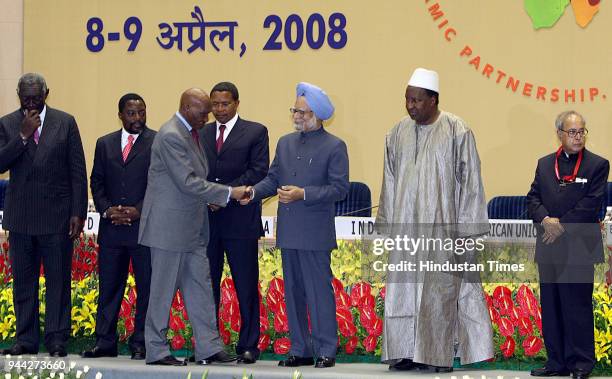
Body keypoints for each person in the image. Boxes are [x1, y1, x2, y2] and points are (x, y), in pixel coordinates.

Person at [376, 68, 493, 372]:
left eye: (416, 100)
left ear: (433, 100)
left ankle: (436, 354)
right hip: (406, 229)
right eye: (407, 100)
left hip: (444, 229)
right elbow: (389, 181)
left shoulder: (457, 130)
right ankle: (402, 352)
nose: (410, 105)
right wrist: (388, 225)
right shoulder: (396, 132)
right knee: (402, 289)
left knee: (438, 293)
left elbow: (471, 182)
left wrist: (467, 229)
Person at [242, 82, 349, 368]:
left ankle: (326, 348)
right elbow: (273, 179)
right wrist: (252, 193)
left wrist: (305, 194)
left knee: (318, 293)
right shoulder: (285, 143)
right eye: (294, 110)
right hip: (289, 232)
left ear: (317, 114)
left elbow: (340, 189)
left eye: (301, 111)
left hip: (314, 233)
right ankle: (300, 349)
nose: (296, 116)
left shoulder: (335, 146)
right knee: (293, 293)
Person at [138, 88, 247, 366]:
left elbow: (194, 181)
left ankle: (209, 347)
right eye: (203, 113)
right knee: (162, 291)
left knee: (200, 286)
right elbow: (187, 181)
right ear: (187, 107)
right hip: (168, 229)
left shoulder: (190, 133)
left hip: (191, 228)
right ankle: (156, 350)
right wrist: (228, 193)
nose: (208, 118)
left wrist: (209, 198)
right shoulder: (172, 135)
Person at [0, 73, 88, 357]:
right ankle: (25, 339)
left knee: (58, 281)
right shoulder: (8, 123)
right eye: (25, 98)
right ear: (18, 95)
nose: (31, 103)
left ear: (46, 93)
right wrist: (23, 135)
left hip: (57, 217)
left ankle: (56, 338)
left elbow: (77, 171)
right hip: (22, 217)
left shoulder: (65, 122)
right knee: (23, 282)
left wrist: (78, 211)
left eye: (36, 97)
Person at [527, 111, 609, 379]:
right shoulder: (544, 164)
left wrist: (558, 225)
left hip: (578, 248)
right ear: (559, 134)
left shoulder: (597, 165)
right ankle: (556, 363)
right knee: (551, 306)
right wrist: (544, 219)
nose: (577, 137)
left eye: (581, 132)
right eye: (572, 132)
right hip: (549, 246)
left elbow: (590, 205)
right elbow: (533, 198)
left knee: (577, 307)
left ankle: (582, 364)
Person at [83, 93, 156, 360]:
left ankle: (141, 343)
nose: (138, 118)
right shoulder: (105, 143)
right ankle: (105, 342)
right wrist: (106, 209)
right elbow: (97, 181)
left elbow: (158, 182)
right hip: (112, 229)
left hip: (144, 229)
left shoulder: (156, 141)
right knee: (110, 287)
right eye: (132, 113)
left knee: (146, 288)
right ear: (121, 115)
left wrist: (139, 210)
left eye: (142, 112)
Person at [201, 82, 269, 364]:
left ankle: (249, 345)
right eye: (214, 104)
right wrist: (211, 195)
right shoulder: (201, 132)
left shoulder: (255, 131)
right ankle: (208, 345)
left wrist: (223, 194)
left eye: (224, 104)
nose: (219, 110)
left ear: (237, 103)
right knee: (207, 286)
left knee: (245, 285)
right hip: (206, 222)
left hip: (240, 221)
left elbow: (258, 171)